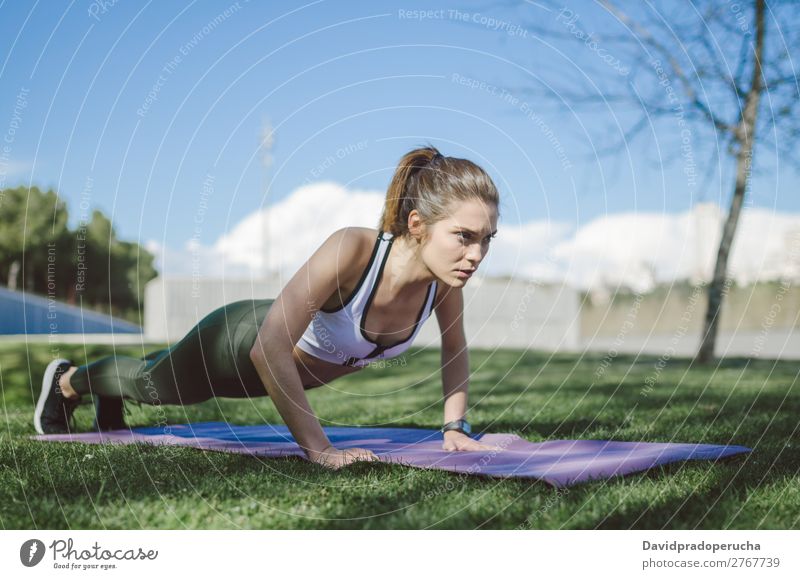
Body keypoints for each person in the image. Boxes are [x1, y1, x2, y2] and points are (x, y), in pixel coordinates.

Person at [34, 145, 501, 470]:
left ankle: (108, 391)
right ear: (417, 223)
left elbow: (454, 349)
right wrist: (319, 449)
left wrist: (454, 426)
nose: (476, 254)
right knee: (153, 384)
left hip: (273, 377)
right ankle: (66, 382)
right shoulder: (354, 250)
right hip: (238, 342)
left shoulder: (444, 281)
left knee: (150, 375)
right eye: (464, 236)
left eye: (486, 240)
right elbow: (268, 345)